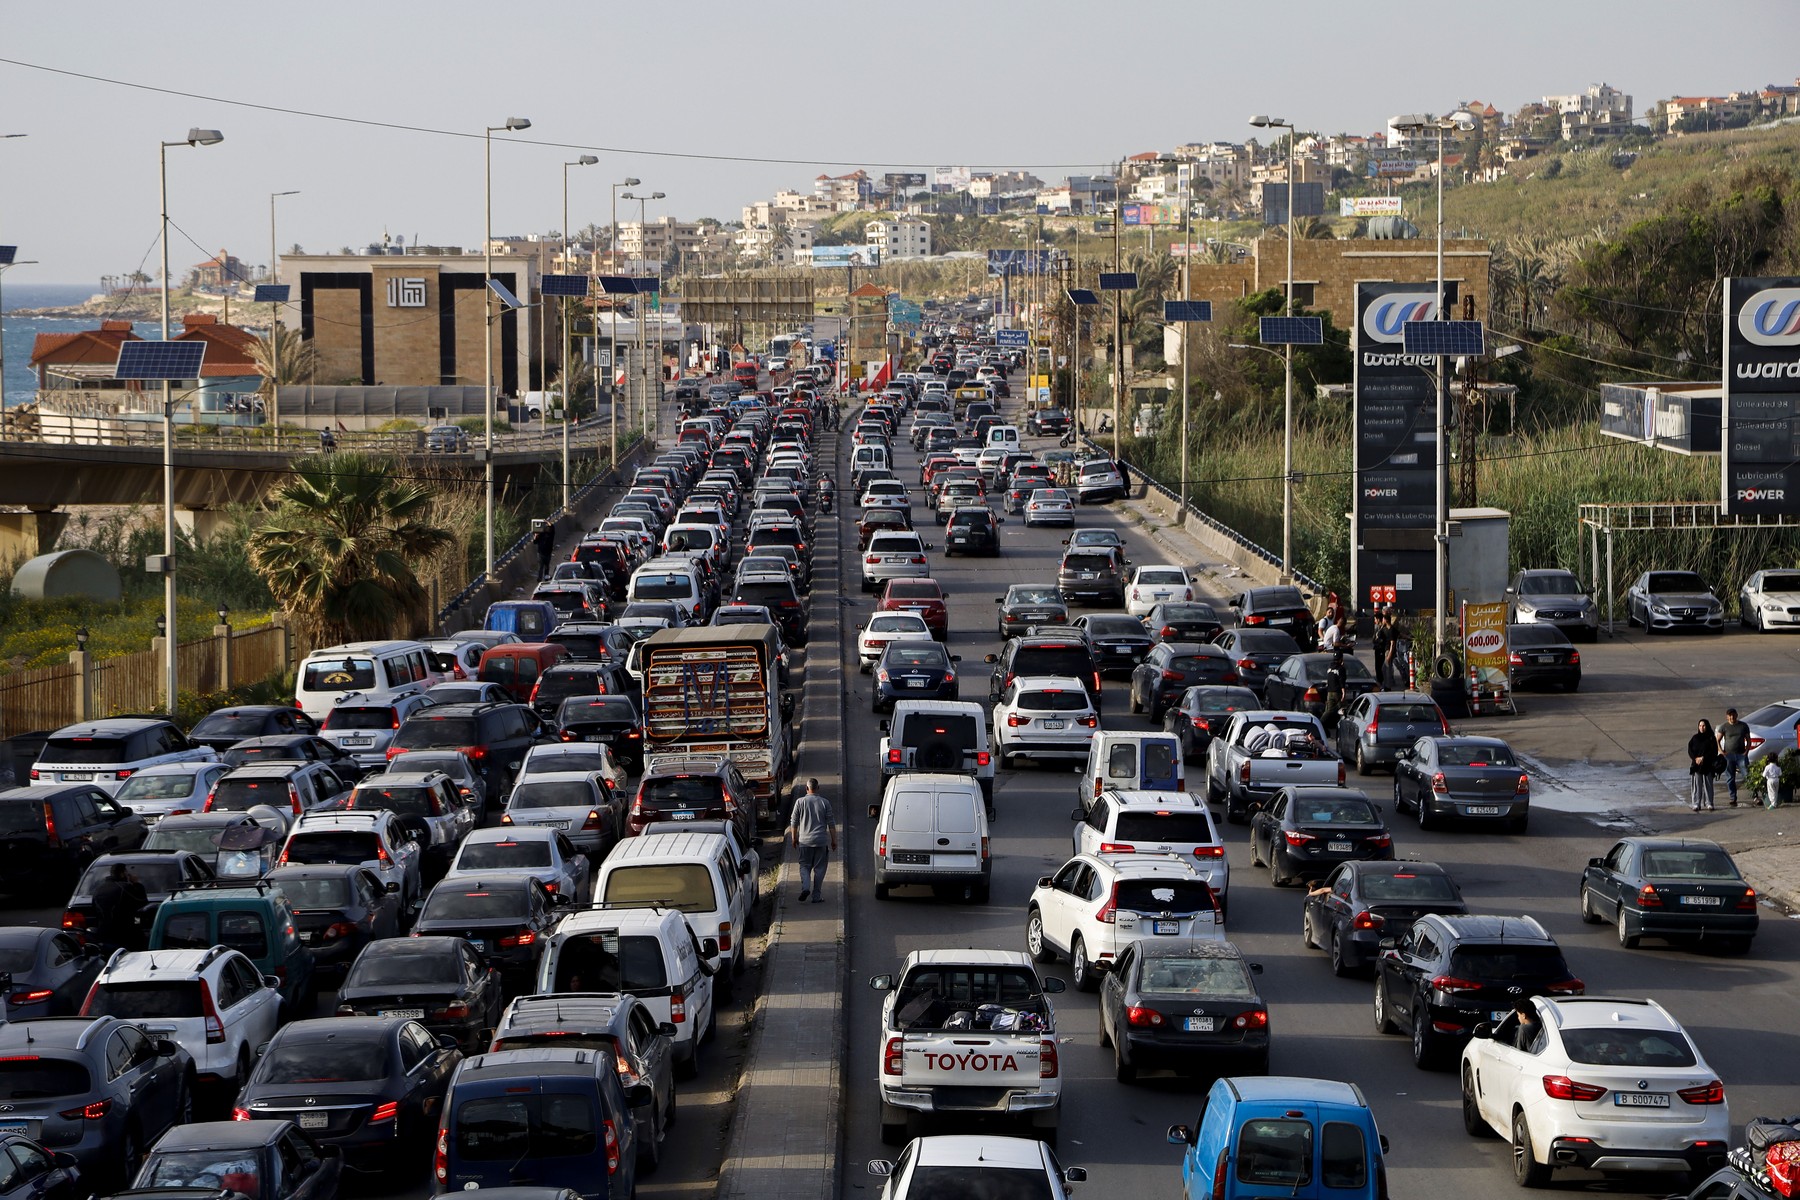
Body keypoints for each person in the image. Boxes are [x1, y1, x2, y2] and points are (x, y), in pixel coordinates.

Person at [787, 778, 836, 904]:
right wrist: (833, 840)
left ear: (806, 788)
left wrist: (794, 837)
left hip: (804, 842)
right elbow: (831, 823)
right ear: (818, 788)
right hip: (821, 841)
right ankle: (816, 896)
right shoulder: (825, 803)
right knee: (820, 869)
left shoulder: (799, 802)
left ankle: (805, 888)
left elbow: (794, 821)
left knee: (804, 866)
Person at [91, 863, 147, 952]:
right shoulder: (125, 887)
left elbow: (94, 911)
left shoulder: (99, 889)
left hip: (104, 934)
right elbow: (142, 901)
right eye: (126, 873)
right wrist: (136, 883)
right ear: (122, 874)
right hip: (124, 935)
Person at [1717, 708, 1750, 807]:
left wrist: (1746, 752)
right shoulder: (1724, 727)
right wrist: (1721, 752)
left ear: (1737, 715)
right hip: (1729, 756)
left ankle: (1755, 796)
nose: (1732, 717)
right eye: (1730, 715)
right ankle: (1733, 797)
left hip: (1741, 755)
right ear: (1727, 717)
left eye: (1733, 715)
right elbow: (1717, 740)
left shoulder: (1743, 726)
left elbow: (1748, 740)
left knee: (1747, 776)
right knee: (1730, 778)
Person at [1688, 718, 1720, 812]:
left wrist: (1704, 758)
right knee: (1697, 785)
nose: (1702, 728)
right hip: (1697, 766)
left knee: (1708, 785)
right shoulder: (1695, 738)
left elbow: (1713, 751)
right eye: (1700, 726)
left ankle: (1709, 803)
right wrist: (1696, 758)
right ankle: (1696, 804)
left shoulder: (1711, 738)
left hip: (1708, 765)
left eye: (1704, 725)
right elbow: (1690, 750)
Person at [1323, 650, 1347, 735]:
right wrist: (1343, 692)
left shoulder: (1330, 667)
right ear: (1341, 659)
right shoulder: (1341, 669)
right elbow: (1342, 681)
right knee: (1342, 710)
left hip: (1329, 692)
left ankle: (1323, 724)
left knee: (1329, 711)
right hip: (1337, 692)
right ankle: (1344, 728)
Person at [1371, 612, 1394, 688]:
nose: (1375, 621)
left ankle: (1385, 684)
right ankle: (1380, 682)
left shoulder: (1384, 629)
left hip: (1381, 649)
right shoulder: (1377, 628)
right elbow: (1374, 638)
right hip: (1377, 649)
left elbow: (1387, 640)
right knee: (1377, 667)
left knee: (1382, 667)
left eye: (1375, 619)